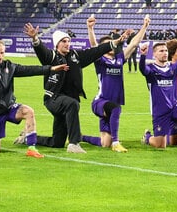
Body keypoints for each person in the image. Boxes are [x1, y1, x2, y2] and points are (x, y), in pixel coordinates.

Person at [24, 21, 125, 153]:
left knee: (58, 142)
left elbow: (96, 51)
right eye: (64, 41)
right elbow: (42, 52)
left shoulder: (76, 56)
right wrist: (35, 39)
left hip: (66, 102)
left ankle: (28, 138)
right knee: (72, 104)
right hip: (53, 99)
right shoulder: (52, 57)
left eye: (68, 41)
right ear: (57, 44)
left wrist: (115, 43)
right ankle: (74, 143)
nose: (67, 43)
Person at [0, 40, 67, 157]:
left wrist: (51, 69)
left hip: (9, 108)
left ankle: (31, 148)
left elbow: (29, 70)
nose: (0, 56)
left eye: (2, 53)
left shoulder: (9, 66)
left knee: (28, 111)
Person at [80, 15, 150, 152]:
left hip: (109, 105)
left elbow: (134, 44)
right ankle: (116, 143)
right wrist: (90, 28)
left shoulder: (119, 59)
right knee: (116, 108)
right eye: (107, 44)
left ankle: (80, 137)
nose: (111, 45)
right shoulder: (99, 60)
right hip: (100, 102)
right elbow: (94, 46)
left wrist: (144, 26)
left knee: (104, 142)